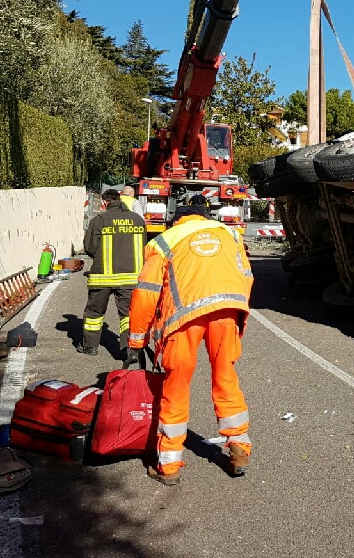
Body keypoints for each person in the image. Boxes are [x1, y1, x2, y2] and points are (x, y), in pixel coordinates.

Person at [128, 194, 254, 486]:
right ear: (205, 217)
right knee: (226, 379)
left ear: (177, 219)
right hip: (226, 311)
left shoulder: (164, 241)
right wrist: (237, 312)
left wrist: (136, 341)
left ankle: (169, 467)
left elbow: (146, 293)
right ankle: (239, 450)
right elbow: (246, 277)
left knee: (176, 386)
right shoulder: (230, 234)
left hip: (183, 319)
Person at [81, 190, 147, 357]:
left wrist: (102, 256)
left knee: (95, 314)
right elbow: (143, 245)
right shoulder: (138, 220)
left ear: (104, 203)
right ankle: (129, 349)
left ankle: (90, 347)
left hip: (102, 277)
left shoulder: (100, 220)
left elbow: (90, 247)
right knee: (128, 315)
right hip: (131, 278)